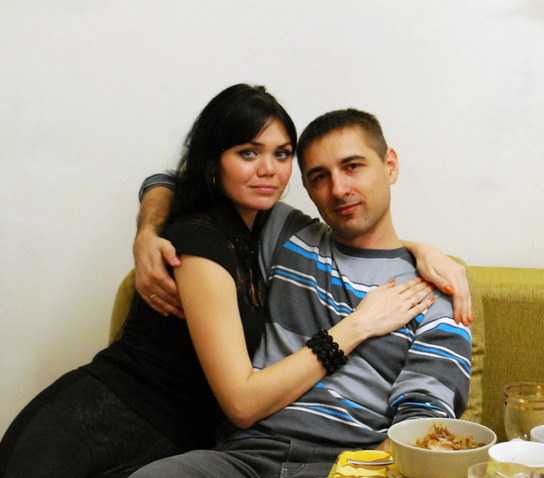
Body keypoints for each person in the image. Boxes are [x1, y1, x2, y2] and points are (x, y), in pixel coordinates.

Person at [0, 85, 444, 478]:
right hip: (95, 429)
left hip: (176, 445)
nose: (268, 169)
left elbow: (362, 229)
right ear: (215, 161)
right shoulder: (201, 241)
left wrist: (417, 253)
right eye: (248, 153)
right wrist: (358, 325)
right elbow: (242, 403)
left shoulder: (268, 229)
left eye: (282, 154)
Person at [130, 108, 473, 478]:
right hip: (245, 456)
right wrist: (147, 234)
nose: (338, 189)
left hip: (344, 463)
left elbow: (422, 422)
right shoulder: (285, 233)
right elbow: (177, 181)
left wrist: (361, 470)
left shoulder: (437, 290)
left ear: (389, 165)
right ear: (307, 188)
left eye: (353, 166)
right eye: (320, 176)